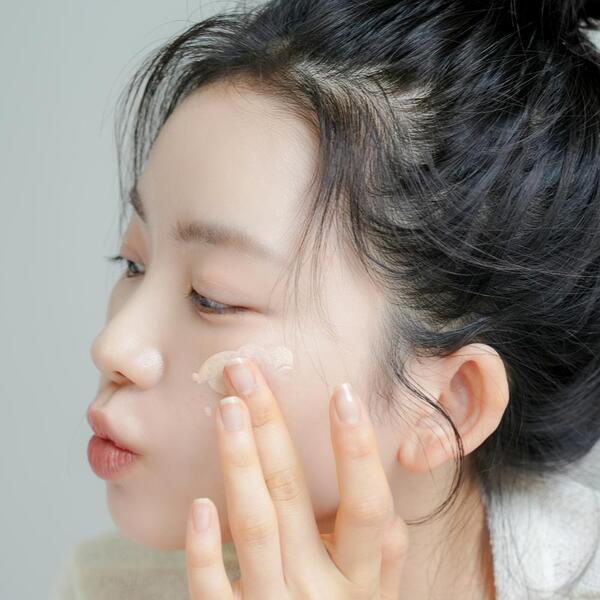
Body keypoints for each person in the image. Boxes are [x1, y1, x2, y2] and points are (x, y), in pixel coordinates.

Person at [52, 0, 600, 598]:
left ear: (449, 403)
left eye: (212, 298)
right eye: (133, 263)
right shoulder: (108, 585)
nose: (113, 346)